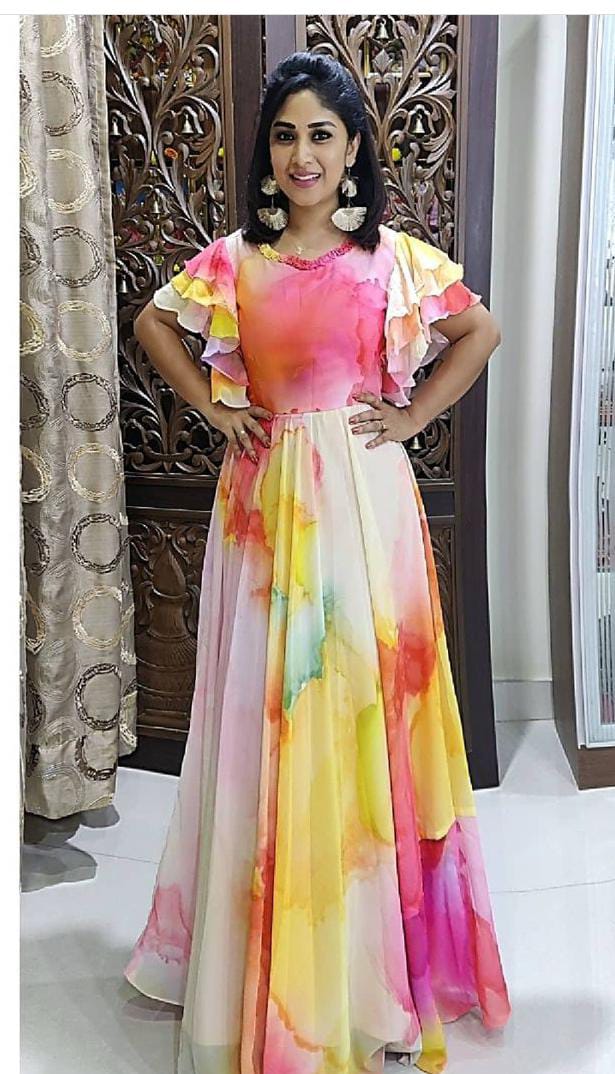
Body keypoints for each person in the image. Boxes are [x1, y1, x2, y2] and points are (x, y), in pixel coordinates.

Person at [123, 50, 511, 1074]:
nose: (303, 154)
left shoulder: (394, 261)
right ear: (268, 150)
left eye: (322, 135)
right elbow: (153, 324)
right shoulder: (231, 261)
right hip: (262, 509)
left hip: (365, 505)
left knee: (358, 710)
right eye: (287, 134)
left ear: (352, 151)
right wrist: (214, 409)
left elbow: (479, 331)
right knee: (268, 713)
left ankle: (366, 969)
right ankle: (267, 957)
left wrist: (413, 417)